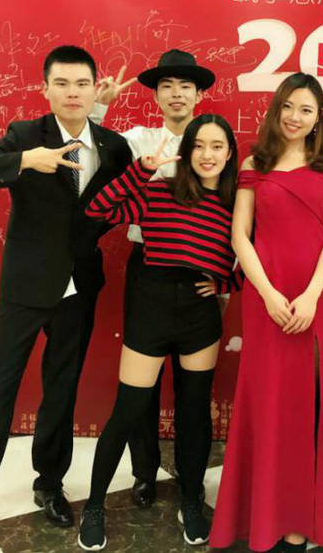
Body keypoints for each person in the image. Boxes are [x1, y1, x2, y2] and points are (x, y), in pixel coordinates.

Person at [0, 46, 133, 553]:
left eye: (81, 83)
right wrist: (24, 161)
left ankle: (50, 484)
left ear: (95, 88)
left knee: (61, 391)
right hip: (25, 286)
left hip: (79, 287)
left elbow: (116, 195)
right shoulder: (25, 136)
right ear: (45, 89)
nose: (71, 92)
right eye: (61, 83)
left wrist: (101, 114)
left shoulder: (113, 146)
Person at [209, 73, 323, 553]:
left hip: (318, 296)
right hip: (264, 296)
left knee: (311, 401)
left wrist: (312, 294)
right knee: (269, 401)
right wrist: (269, 294)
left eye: (306, 110)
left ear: (319, 119)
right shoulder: (254, 163)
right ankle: (265, 514)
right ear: (276, 110)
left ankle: (301, 515)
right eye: (288, 107)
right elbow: (240, 235)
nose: (295, 117)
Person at [78, 114, 240, 550]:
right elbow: (97, 210)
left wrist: (228, 282)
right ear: (186, 151)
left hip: (199, 314)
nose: (207, 155)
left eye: (217, 146)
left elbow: (258, 253)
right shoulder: (160, 190)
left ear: (229, 153)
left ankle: (191, 498)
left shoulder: (236, 202)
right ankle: (94, 505)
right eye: (199, 145)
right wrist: (140, 171)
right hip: (151, 305)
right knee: (128, 409)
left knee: (195, 412)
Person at [91, 48, 216, 509]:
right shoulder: (138, 140)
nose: (176, 93)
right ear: (157, 96)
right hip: (148, 266)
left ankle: (189, 476)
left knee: (193, 390)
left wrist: (225, 280)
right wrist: (99, 107)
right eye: (167, 86)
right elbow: (91, 161)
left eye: (185, 86)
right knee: (139, 389)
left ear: (199, 95)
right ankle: (144, 472)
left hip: (202, 271)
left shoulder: (213, 142)